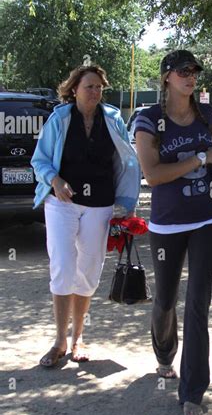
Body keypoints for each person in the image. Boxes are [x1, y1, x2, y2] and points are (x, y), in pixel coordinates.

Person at [134, 50, 212, 415]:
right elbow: (153, 175)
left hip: (206, 220)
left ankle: (193, 389)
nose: (191, 77)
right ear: (166, 77)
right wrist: (199, 160)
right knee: (165, 299)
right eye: (183, 71)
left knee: (198, 304)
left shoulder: (207, 115)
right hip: (166, 224)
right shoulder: (148, 120)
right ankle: (164, 354)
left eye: (194, 71)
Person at [32, 64, 140, 367]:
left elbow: (127, 161)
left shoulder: (113, 119)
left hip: (101, 204)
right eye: (89, 86)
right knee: (64, 267)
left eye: (99, 87)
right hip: (62, 203)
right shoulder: (60, 119)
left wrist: (127, 202)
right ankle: (59, 342)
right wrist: (55, 179)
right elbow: (39, 160)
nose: (95, 92)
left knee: (89, 270)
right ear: (74, 89)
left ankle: (78, 338)